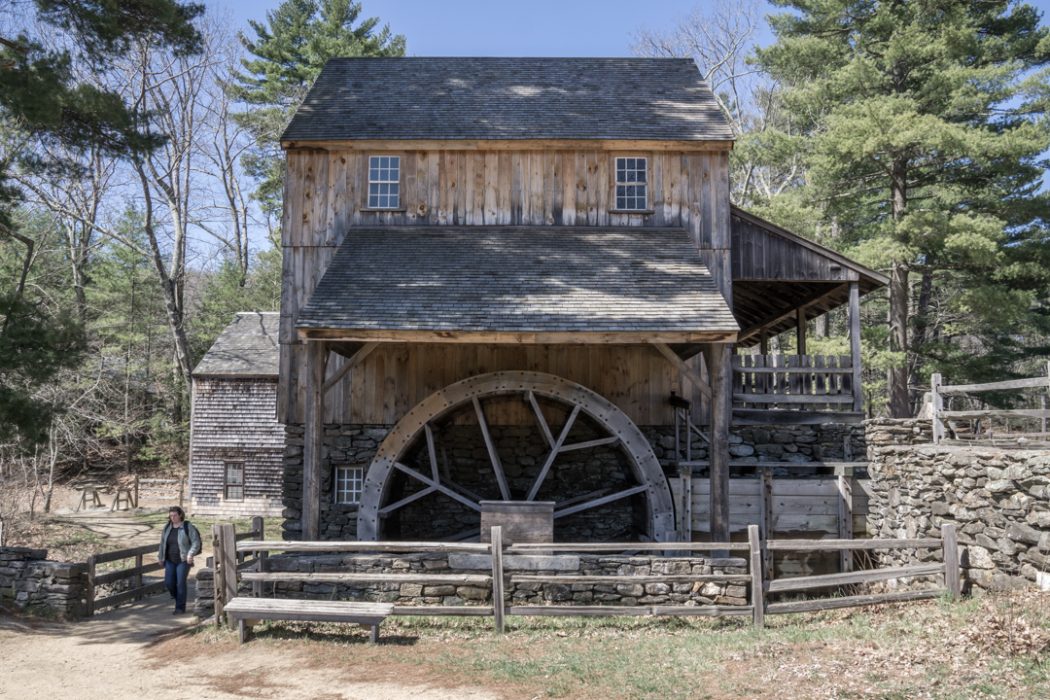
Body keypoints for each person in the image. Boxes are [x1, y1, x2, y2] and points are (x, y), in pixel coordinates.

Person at [158, 505, 202, 614]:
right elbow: (162, 543)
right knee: (168, 583)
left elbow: (196, 542)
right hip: (169, 560)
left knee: (180, 583)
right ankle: (176, 597)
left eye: (175, 515)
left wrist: (190, 554)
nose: (173, 517)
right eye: (171, 515)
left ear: (180, 515)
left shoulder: (187, 527)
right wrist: (160, 557)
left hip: (183, 560)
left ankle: (180, 608)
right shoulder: (167, 527)